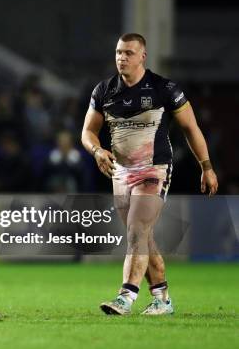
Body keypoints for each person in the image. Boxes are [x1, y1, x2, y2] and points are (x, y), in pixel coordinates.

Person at [81, 33, 218, 315]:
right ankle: (162, 299)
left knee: (136, 230)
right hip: (120, 172)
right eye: (119, 52)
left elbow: (191, 129)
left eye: (129, 53)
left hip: (154, 170)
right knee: (142, 237)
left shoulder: (163, 88)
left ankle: (125, 296)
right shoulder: (104, 90)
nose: (122, 57)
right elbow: (88, 132)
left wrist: (207, 167)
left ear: (143, 56)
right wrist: (97, 151)